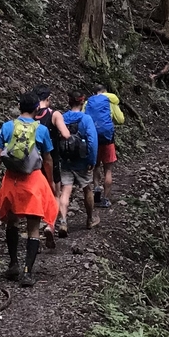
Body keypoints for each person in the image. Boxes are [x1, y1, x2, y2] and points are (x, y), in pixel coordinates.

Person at [0, 91, 59, 287]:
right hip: (33, 182)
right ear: (37, 109)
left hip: (11, 183)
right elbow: (48, 160)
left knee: (12, 223)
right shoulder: (41, 130)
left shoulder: (8, 127)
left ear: (19, 107)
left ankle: (13, 264)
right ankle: (27, 272)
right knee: (33, 228)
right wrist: (50, 182)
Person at [56, 88, 99, 234]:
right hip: (82, 160)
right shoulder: (86, 119)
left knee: (65, 190)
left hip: (66, 160)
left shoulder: (62, 118)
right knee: (87, 188)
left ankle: (63, 222)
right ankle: (89, 219)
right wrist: (92, 160)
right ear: (82, 102)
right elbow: (92, 141)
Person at [86, 84, 123, 210]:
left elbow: (83, 118)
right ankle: (106, 200)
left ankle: (96, 188)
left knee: (96, 165)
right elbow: (121, 119)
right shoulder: (110, 101)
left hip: (93, 139)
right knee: (108, 169)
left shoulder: (88, 103)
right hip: (107, 139)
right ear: (105, 91)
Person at [34, 86, 70, 192]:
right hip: (51, 156)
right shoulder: (54, 114)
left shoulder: (30, 113)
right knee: (55, 192)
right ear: (48, 98)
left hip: (32, 157)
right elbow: (66, 134)